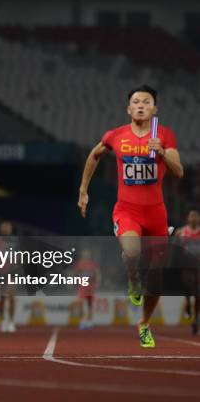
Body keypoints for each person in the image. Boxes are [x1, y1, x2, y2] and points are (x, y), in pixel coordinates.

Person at [78, 85, 184, 348]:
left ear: (154, 109)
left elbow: (178, 171)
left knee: (157, 279)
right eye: (135, 102)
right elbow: (94, 156)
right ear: (128, 108)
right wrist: (83, 191)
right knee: (133, 251)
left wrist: (161, 153)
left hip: (156, 213)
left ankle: (144, 324)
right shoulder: (117, 135)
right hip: (127, 210)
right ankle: (133, 277)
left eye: (146, 102)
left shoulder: (165, 136)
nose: (140, 106)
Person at [176, 209, 200, 335]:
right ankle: (187, 305)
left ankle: (195, 319)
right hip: (186, 266)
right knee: (187, 287)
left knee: (197, 293)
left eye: (196, 216)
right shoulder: (181, 232)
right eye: (191, 216)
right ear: (188, 218)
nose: (194, 218)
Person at [73, 249, 101, 329]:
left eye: (87, 254)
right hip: (82, 286)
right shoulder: (79, 264)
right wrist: (75, 282)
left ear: (89, 255)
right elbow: (75, 274)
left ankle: (89, 321)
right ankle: (82, 321)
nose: (86, 255)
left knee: (89, 305)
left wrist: (97, 282)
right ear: (82, 255)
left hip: (90, 287)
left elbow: (97, 273)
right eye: (85, 254)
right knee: (80, 304)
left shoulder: (93, 264)